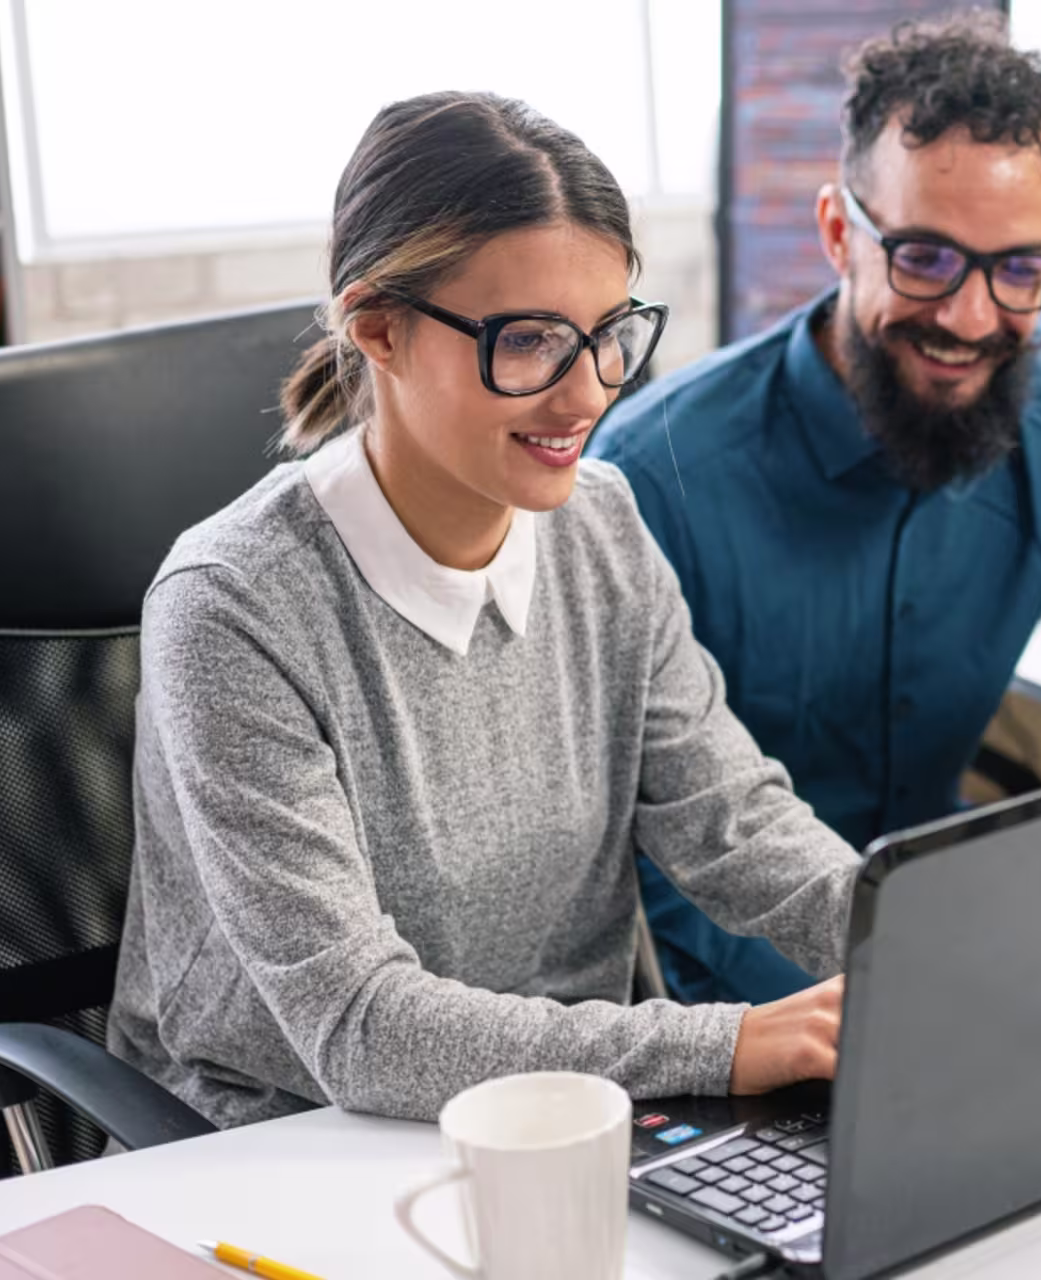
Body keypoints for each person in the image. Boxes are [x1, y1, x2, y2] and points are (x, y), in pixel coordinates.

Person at [108, 92, 857, 1130]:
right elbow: (360, 1026)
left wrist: (916, 942)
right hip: (288, 1133)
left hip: (575, 1112)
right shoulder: (232, 604)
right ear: (377, 327)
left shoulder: (601, 526)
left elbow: (734, 826)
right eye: (533, 340)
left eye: (610, 336)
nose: (588, 392)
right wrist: (727, 1043)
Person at [589, 15, 1041, 1005]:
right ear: (842, 232)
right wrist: (886, 997)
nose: (972, 319)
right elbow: (640, 864)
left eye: (1020, 270)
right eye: (924, 257)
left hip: (946, 956)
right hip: (742, 1006)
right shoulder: (654, 474)